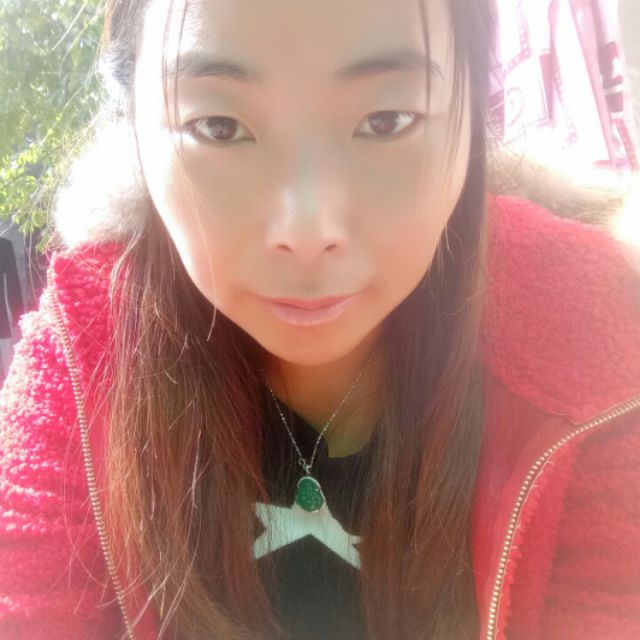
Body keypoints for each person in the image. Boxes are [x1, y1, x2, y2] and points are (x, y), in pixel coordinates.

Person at [0, 1, 639, 639]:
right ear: (135, 129)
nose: (308, 231)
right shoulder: (85, 346)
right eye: (219, 126)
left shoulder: (588, 328)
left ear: (471, 111)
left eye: (386, 121)